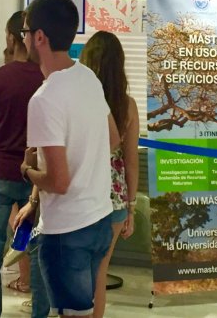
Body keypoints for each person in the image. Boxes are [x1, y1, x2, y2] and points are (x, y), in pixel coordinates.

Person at [14, 0, 118, 317]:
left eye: (25, 32)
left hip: (67, 232)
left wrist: (27, 170)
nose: (23, 38)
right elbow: (113, 139)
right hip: (100, 219)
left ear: (39, 37)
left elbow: (58, 182)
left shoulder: (44, 99)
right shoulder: (87, 77)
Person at [0, 11, 47, 318]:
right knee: (37, 248)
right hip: (38, 176)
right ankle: (40, 313)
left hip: (1, 172)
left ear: (11, 36)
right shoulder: (46, 78)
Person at [79, 31, 140, 318]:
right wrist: (132, 207)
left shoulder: (80, 99)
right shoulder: (127, 105)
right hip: (114, 196)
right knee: (100, 270)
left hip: (80, 191)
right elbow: (131, 160)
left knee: (75, 269)